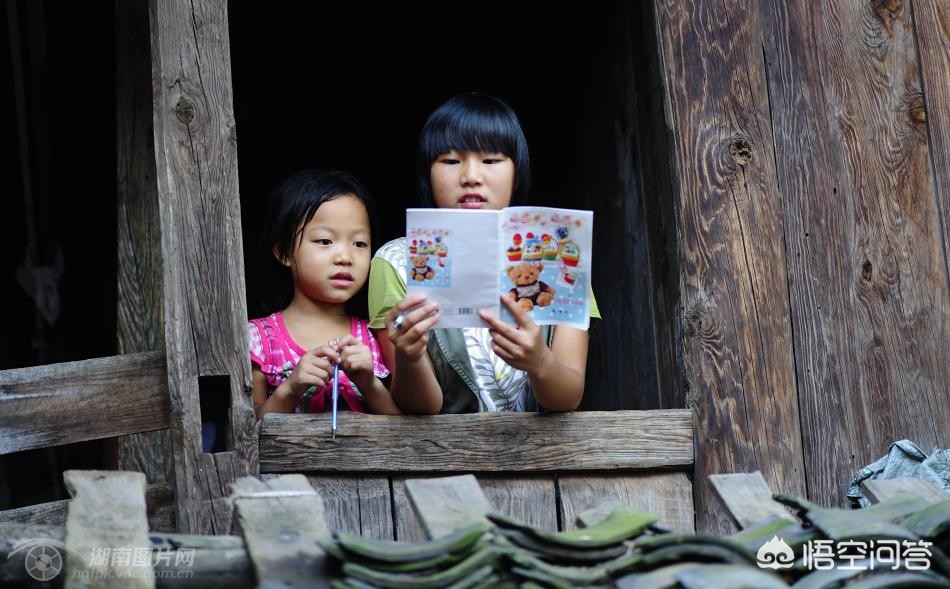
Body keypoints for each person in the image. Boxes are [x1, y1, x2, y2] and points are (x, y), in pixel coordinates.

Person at [368, 93, 600, 414]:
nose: (471, 176)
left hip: (544, 459)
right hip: (446, 459)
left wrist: (540, 362)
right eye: (450, 161)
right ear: (427, 173)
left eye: (491, 160)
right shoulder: (394, 262)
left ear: (517, 172)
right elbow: (421, 409)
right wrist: (409, 355)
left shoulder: (562, 255)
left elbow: (567, 398)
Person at [249, 169, 400, 419]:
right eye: (325, 241)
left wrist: (369, 383)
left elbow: (405, 431)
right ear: (283, 251)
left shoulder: (377, 337)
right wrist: (290, 389)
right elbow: (247, 434)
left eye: (359, 243)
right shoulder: (259, 340)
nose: (345, 257)